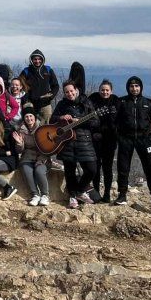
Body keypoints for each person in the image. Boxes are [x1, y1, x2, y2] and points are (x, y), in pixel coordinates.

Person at [51, 81, 99, 209]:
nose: (69, 94)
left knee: (92, 169)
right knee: (69, 171)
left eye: (71, 91)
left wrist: (80, 122)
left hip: (84, 141)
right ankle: (72, 197)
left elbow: (95, 122)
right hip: (67, 142)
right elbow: (52, 120)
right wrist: (61, 117)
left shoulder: (86, 102)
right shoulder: (61, 104)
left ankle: (80, 191)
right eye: (66, 92)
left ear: (76, 90)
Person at [115, 76, 151, 207]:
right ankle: (122, 195)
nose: (134, 88)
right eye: (131, 86)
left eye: (137, 86)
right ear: (128, 88)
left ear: (141, 87)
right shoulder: (121, 102)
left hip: (144, 140)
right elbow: (114, 121)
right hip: (126, 139)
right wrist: (119, 137)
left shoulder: (149, 103)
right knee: (123, 168)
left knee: (150, 168)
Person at [88, 80, 119, 203]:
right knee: (95, 167)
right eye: (102, 89)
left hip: (110, 140)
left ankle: (107, 194)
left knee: (107, 168)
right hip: (94, 139)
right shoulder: (93, 98)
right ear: (99, 89)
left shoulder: (116, 100)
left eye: (107, 90)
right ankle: (95, 193)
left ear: (111, 91)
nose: (104, 92)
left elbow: (118, 119)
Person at [13, 107, 50, 206]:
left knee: (39, 171)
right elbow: (19, 150)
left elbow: (48, 147)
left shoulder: (43, 127)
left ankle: (45, 195)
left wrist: (41, 159)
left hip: (42, 156)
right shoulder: (21, 129)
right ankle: (35, 195)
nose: (29, 119)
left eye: (30, 116)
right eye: (26, 117)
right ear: (24, 118)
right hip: (27, 157)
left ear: (34, 117)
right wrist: (19, 144)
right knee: (26, 170)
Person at [19, 49, 59, 124]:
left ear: (42, 59)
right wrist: (26, 100)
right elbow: (20, 86)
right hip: (31, 104)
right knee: (31, 125)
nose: (37, 61)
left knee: (47, 126)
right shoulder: (26, 71)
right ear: (32, 60)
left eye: (39, 59)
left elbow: (55, 85)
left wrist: (50, 96)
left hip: (45, 104)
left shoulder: (48, 69)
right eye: (35, 59)